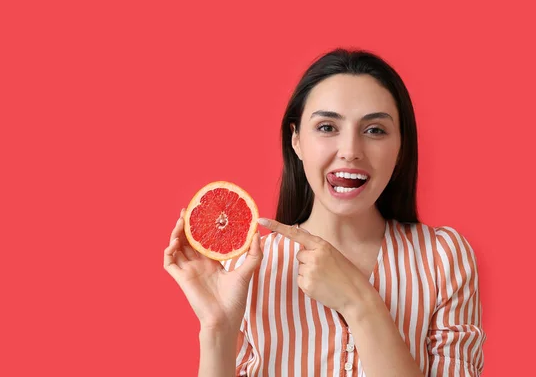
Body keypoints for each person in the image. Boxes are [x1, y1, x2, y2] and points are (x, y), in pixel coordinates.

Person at [163, 48, 486, 376]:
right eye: (327, 127)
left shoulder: (442, 258)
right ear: (297, 140)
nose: (350, 151)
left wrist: (358, 303)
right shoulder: (248, 270)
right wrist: (218, 329)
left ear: (401, 147)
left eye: (374, 130)